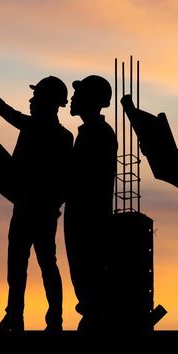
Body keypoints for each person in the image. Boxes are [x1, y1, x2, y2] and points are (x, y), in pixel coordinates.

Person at [0, 62, 73, 332]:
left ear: (50, 102)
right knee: (22, 266)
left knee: (43, 265)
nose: (31, 100)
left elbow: (2, 108)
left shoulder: (52, 134)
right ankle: (21, 318)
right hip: (28, 208)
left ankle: (49, 320)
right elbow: (2, 108)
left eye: (37, 96)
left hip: (38, 211)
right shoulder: (54, 134)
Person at [65, 76, 117, 333]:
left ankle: (94, 332)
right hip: (83, 217)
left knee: (89, 278)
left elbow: (86, 178)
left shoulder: (98, 134)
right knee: (84, 280)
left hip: (88, 221)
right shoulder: (91, 133)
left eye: (79, 93)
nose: (73, 98)